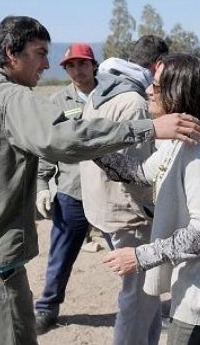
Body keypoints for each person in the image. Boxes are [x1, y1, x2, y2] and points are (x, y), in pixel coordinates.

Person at [0, 18, 200, 345]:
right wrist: (150, 128)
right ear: (12, 53)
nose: (46, 64)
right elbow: (62, 139)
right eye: (39, 53)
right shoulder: (12, 98)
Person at [98, 53, 200, 345]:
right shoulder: (181, 140)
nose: (148, 90)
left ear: (179, 93)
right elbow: (136, 172)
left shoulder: (197, 151)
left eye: (158, 86)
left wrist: (139, 256)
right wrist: (85, 145)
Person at [78, 34, 169, 345]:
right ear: (157, 65)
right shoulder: (132, 101)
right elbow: (140, 171)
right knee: (139, 293)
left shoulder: (99, 90)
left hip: (103, 207)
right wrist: (154, 208)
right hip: (131, 213)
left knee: (147, 289)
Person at [33, 43, 99, 334]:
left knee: (128, 249)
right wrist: (42, 184)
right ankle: (47, 308)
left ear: (93, 65)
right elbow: (49, 145)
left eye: (82, 64)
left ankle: (143, 304)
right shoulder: (59, 101)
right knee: (60, 254)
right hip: (73, 190)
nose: (77, 70)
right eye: (71, 66)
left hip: (111, 190)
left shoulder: (110, 95)